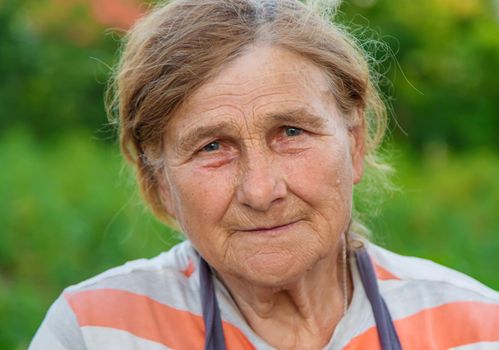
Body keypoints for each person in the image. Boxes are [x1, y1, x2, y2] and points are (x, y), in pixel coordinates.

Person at [30, 0, 499, 349]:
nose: (260, 190)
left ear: (355, 143)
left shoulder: (476, 328)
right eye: (212, 146)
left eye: (291, 132)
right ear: (159, 186)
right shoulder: (94, 331)